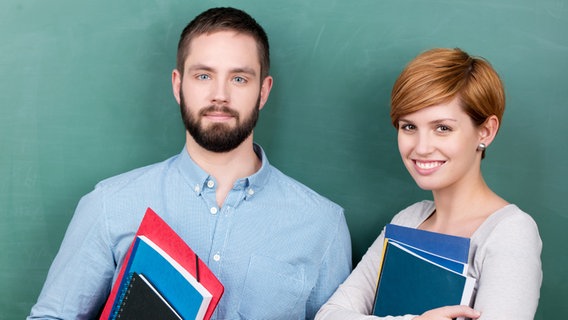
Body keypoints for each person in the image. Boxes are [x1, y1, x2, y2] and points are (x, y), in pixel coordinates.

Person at [28, 7, 352, 320]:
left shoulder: (323, 225)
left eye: (239, 79)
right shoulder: (109, 205)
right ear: (177, 85)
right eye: (203, 75)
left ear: (263, 92)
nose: (219, 95)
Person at [316, 48, 542, 320]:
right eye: (409, 127)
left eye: (442, 128)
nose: (421, 148)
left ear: (486, 131)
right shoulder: (409, 219)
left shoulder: (509, 233)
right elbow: (329, 315)